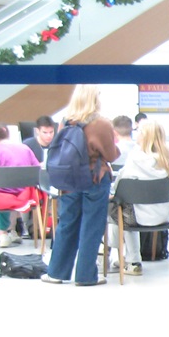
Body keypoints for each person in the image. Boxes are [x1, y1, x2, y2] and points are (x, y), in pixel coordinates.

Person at [42, 84, 119, 286]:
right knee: (91, 227)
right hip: (94, 179)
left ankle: (56, 272)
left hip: (69, 180)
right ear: (95, 99)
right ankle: (85, 275)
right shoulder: (101, 124)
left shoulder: (65, 122)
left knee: (67, 224)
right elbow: (111, 155)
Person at [107, 118, 169, 276]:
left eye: (139, 132)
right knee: (126, 208)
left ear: (145, 137)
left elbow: (119, 189)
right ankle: (129, 259)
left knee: (119, 208)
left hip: (136, 218)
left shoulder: (135, 159)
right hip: (164, 217)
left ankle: (128, 258)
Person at [0, 123, 41, 248]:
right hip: (26, 196)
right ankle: (11, 231)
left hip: (2, 198)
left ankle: (1, 233)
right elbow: (36, 169)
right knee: (6, 189)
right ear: (8, 135)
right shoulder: (25, 148)